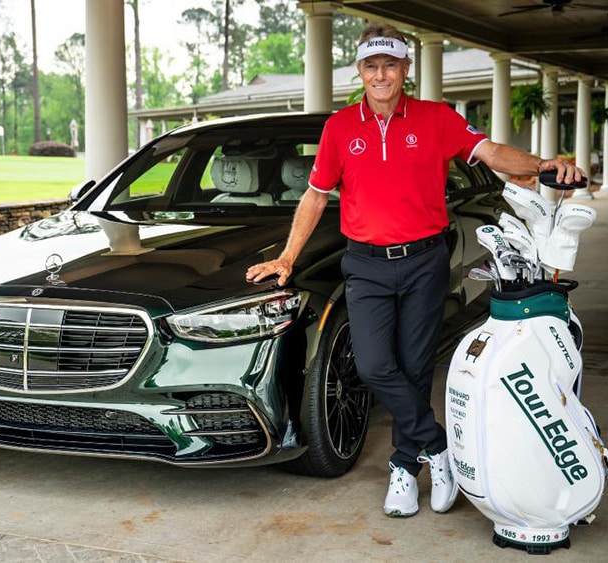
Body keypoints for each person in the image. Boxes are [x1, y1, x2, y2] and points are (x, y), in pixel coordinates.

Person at [245, 23, 584, 518]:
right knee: (373, 365)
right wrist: (287, 257)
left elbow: (491, 153)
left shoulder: (436, 118)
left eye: (390, 64)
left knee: (415, 367)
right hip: (365, 264)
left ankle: (405, 467)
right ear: (359, 71)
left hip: (424, 261)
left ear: (406, 69)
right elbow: (316, 195)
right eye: (371, 65)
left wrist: (542, 164)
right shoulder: (340, 128)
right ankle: (439, 448)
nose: (380, 74)